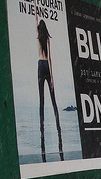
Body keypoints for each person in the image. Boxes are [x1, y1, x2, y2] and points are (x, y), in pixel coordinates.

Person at [36, 11, 63, 161]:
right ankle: (58, 127)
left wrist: (33, 6)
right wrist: (52, 77)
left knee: (42, 101)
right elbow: (50, 58)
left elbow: (35, 21)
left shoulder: (39, 38)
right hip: (46, 65)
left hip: (40, 65)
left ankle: (42, 130)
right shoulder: (46, 39)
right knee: (53, 102)